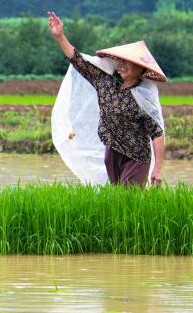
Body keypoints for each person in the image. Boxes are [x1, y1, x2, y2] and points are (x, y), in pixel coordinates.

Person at [47, 11, 166, 187]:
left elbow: (157, 133)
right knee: (116, 198)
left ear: (141, 68)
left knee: (128, 199)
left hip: (137, 156)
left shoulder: (144, 96)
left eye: (128, 62)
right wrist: (60, 36)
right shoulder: (106, 83)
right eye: (121, 61)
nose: (122, 65)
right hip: (112, 153)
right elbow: (78, 61)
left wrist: (157, 168)